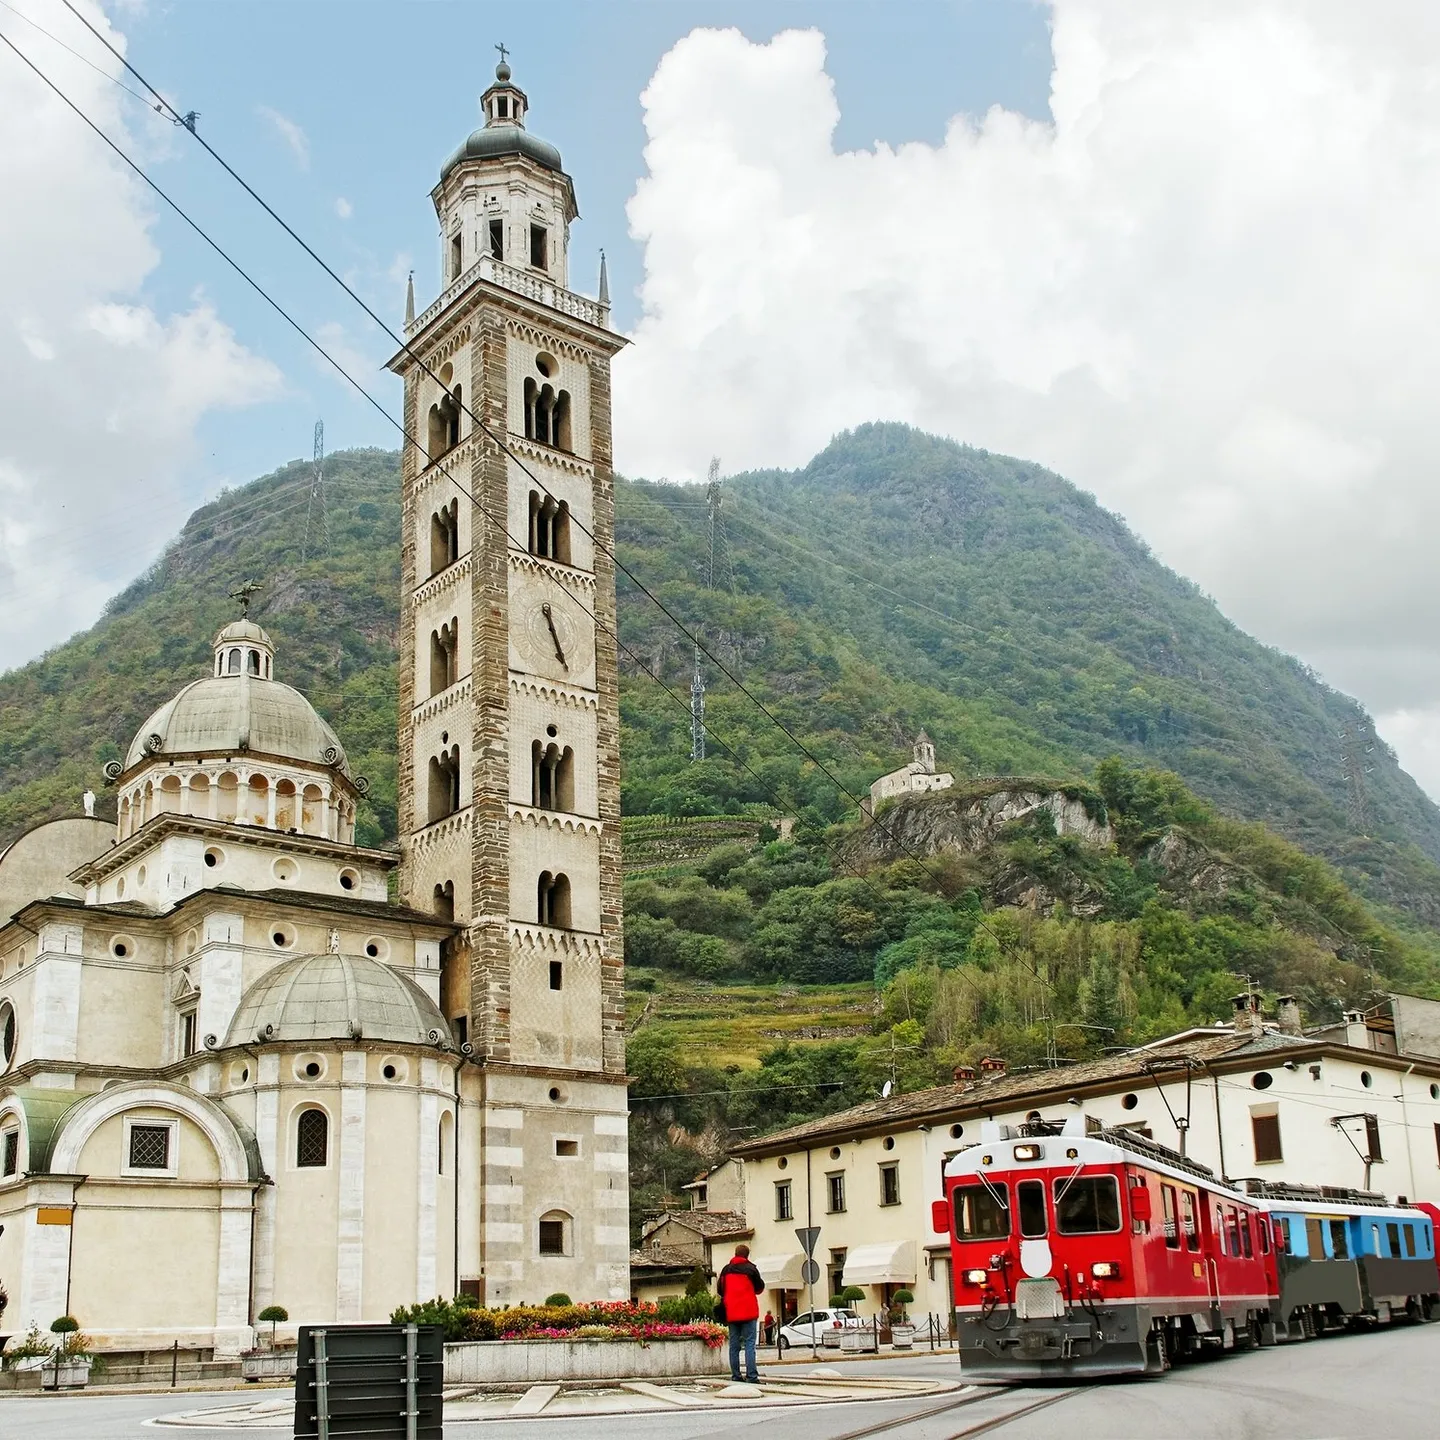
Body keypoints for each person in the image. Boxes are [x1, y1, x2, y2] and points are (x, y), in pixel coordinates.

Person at [716, 1243, 765, 1383]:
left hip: (731, 1312)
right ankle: (752, 1376)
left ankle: (736, 1376)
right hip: (749, 1311)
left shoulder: (726, 1270)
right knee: (750, 1344)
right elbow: (759, 1288)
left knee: (734, 1345)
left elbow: (720, 1290)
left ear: (735, 1254)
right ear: (747, 1255)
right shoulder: (751, 1269)